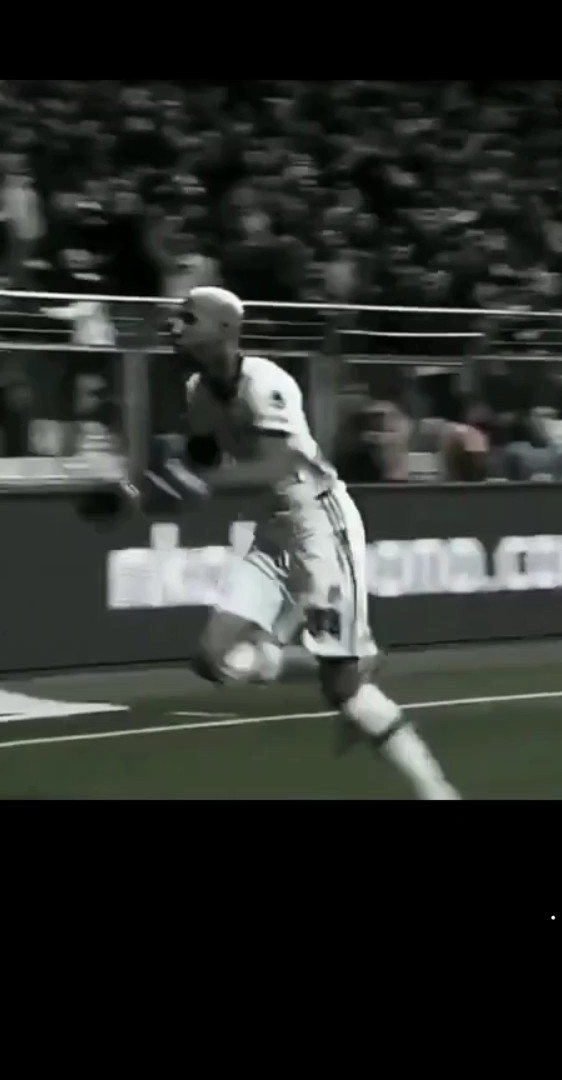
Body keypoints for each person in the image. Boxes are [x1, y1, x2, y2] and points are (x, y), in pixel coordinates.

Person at [144, 286, 460, 800]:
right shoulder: (197, 389)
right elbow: (202, 458)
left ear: (224, 328)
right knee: (212, 658)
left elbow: (278, 464)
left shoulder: (266, 382)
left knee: (343, 691)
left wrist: (192, 483)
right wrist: (142, 489)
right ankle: (348, 656)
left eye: (188, 317)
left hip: (321, 527)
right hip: (273, 531)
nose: (175, 326)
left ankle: (437, 791)